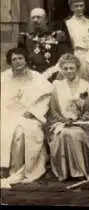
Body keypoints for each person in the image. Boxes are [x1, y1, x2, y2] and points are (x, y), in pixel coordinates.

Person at [1, 48, 52, 189]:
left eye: (20, 58)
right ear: (10, 63)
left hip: (29, 115)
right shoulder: (4, 77)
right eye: (14, 60)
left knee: (20, 132)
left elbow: (46, 97)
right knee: (5, 130)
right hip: (7, 114)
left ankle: (19, 170)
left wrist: (34, 112)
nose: (18, 62)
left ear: (26, 59)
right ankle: (5, 169)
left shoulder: (36, 77)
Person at [47, 54, 89, 183]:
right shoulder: (56, 85)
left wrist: (78, 121)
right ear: (61, 69)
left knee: (76, 134)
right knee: (63, 134)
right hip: (61, 122)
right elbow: (53, 110)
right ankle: (65, 172)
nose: (69, 71)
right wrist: (64, 121)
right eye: (65, 68)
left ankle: (81, 170)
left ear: (77, 68)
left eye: (71, 68)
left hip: (81, 123)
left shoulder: (86, 86)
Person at [17, 7, 71, 76]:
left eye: (38, 17)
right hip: (32, 76)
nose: (35, 20)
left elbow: (66, 57)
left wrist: (54, 72)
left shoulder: (57, 36)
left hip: (52, 75)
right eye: (33, 18)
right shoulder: (25, 38)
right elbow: (20, 59)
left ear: (46, 20)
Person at [60, 0, 89, 78]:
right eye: (76, 6)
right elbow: (65, 43)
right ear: (71, 8)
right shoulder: (67, 23)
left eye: (81, 5)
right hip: (76, 55)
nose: (79, 8)